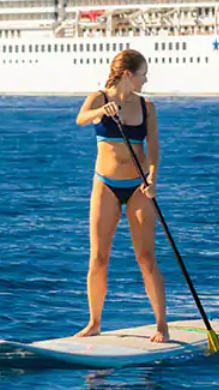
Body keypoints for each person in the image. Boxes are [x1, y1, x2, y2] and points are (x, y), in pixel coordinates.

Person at [73, 49, 168, 342]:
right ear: (128, 74)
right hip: (105, 185)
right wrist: (102, 111)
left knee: (146, 257)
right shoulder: (98, 98)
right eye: (143, 74)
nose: (146, 79)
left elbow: (153, 148)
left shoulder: (146, 106)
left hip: (138, 187)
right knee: (98, 258)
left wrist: (152, 178)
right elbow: (81, 119)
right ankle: (94, 322)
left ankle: (162, 325)